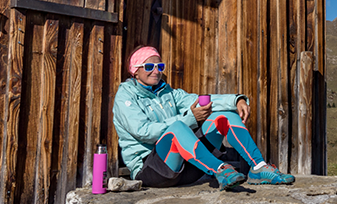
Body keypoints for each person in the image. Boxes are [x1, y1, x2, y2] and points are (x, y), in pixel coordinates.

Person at [112, 45, 294, 189]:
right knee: (178, 128)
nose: (156, 71)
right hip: (152, 170)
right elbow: (143, 132)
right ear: (135, 71)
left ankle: (258, 167)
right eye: (149, 66)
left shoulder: (167, 91)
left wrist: (236, 100)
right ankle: (221, 170)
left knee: (223, 116)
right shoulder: (125, 96)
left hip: (187, 167)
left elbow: (200, 101)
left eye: (160, 66)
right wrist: (188, 119)